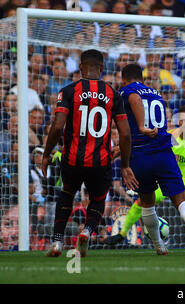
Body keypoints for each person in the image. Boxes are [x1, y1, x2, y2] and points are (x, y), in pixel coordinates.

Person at [103, 64, 185, 253]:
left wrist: (137, 132)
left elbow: (135, 101)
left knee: (147, 203)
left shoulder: (127, 91)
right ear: (143, 78)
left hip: (141, 155)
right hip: (164, 153)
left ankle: (158, 245)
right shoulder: (156, 93)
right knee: (180, 198)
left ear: (123, 79)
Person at [43, 49, 138, 258]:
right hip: (100, 160)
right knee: (97, 198)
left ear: (80, 67)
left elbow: (57, 126)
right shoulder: (113, 94)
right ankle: (87, 231)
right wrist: (125, 165)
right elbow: (125, 134)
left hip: (72, 159)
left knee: (67, 195)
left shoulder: (68, 91)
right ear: (102, 68)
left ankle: (57, 243)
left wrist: (46, 154)